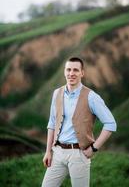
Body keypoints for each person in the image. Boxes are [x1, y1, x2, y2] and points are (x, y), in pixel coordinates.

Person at [41, 57, 117, 187]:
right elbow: (52, 123)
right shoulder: (57, 93)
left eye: (75, 70)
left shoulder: (91, 97)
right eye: (68, 70)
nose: (71, 73)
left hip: (79, 154)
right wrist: (48, 151)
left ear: (82, 73)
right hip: (58, 152)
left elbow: (111, 124)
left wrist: (93, 148)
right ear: (64, 71)